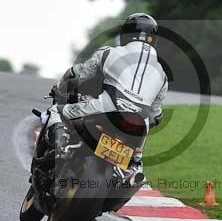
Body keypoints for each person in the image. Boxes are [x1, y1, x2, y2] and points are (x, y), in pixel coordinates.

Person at [43, 13, 168, 179]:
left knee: (55, 112)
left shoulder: (108, 53)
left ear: (125, 35)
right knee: (135, 166)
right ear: (154, 39)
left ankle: (60, 148)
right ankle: (131, 176)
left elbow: (76, 75)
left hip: (106, 108)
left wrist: (59, 88)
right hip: (139, 124)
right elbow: (156, 115)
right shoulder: (163, 75)